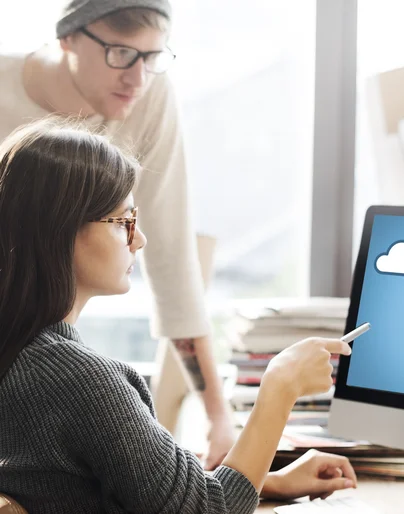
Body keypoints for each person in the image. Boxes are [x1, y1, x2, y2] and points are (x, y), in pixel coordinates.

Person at [0, 118, 357, 513]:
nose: (140, 239)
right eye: (124, 222)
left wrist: (266, 482)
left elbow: (107, 488)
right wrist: (281, 387)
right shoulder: (79, 381)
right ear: (60, 231)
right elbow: (208, 510)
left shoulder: (22, 357)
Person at [0, 0, 235, 468]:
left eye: (153, 57)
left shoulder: (150, 93)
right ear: (67, 37)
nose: (138, 78)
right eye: (121, 53)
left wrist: (218, 417)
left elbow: (170, 256)